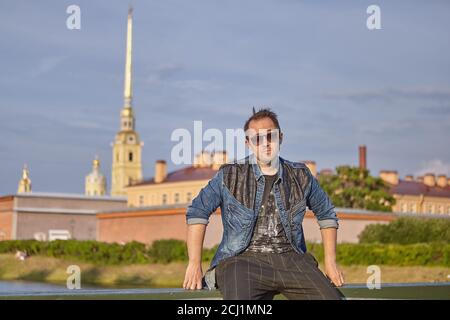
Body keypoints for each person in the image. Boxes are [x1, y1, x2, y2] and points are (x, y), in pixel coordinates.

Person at [183, 108, 345, 300]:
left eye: (271, 136)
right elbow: (197, 212)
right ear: (248, 143)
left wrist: (331, 263)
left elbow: (326, 214)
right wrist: (194, 263)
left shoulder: (301, 175)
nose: (265, 143)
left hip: (291, 260)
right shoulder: (230, 175)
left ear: (281, 138)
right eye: (257, 138)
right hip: (241, 262)